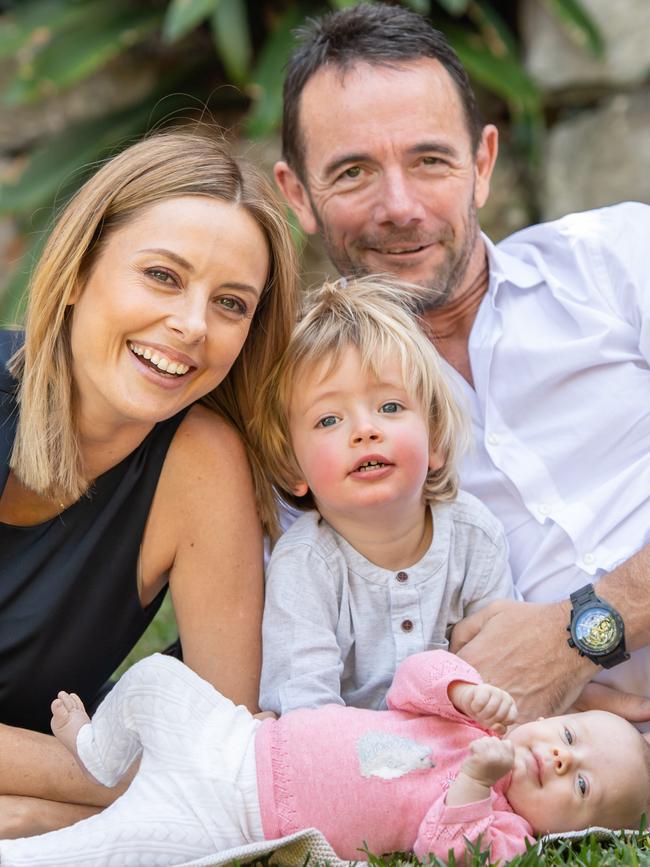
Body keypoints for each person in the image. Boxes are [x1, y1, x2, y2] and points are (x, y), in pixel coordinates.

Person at [271, 1, 650, 723]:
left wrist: (577, 638)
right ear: (299, 197)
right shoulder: (304, 415)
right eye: (352, 173)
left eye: (430, 160)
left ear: (482, 164)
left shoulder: (620, 261)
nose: (400, 205)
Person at [0, 127, 298, 835]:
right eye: (163, 275)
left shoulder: (201, 464)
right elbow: (191, 785)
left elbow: (218, 761)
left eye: (231, 304)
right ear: (77, 272)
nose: (192, 324)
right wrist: (124, 783)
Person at [0, 650, 647, 866]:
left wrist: (478, 778)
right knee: (154, 676)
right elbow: (411, 682)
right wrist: (460, 684)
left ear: (575, 831)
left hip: (236, 813)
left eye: (583, 782)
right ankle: (96, 750)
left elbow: (445, 850)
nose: (561, 759)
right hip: (237, 737)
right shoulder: (475, 713)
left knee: (99, 850)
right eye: (568, 735)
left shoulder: (504, 829)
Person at [257, 277, 514, 714]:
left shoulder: (474, 536)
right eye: (329, 420)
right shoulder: (306, 564)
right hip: (345, 766)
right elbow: (304, 709)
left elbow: (506, 663)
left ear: (433, 438)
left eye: (390, 407)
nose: (365, 430)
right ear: (292, 468)